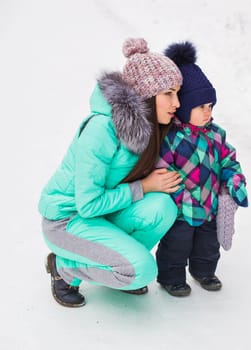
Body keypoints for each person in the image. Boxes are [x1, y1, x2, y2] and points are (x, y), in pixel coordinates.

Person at [38, 38, 184, 307]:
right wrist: (144, 187)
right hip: (66, 220)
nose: (176, 102)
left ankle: (115, 265)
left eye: (178, 92)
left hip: (99, 215)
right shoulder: (101, 129)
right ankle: (65, 268)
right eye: (168, 93)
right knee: (143, 271)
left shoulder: (147, 129)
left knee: (163, 207)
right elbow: (88, 204)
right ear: (146, 95)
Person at [155, 42, 248, 297]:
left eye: (211, 106)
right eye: (200, 107)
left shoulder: (216, 135)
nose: (208, 112)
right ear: (184, 107)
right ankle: (170, 277)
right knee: (177, 244)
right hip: (181, 209)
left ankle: (203, 271)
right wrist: (181, 200)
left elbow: (229, 161)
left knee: (209, 244)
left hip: (210, 205)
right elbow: (162, 169)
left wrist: (234, 180)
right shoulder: (170, 138)